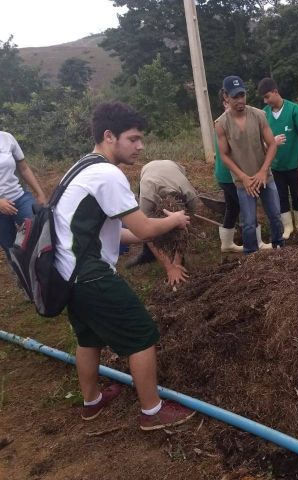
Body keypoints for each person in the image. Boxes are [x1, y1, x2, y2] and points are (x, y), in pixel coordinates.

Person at [54, 102, 196, 430]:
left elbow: (122, 232)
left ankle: (92, 402)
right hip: (89, 274)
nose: (140, 146)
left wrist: (160, 226)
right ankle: (152, 411)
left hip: (66, 273)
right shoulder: (107, 173)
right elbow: (146, 229)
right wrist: (173, 219)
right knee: (142, 334)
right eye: (133, 139)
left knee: (89, 338)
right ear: (109, 136)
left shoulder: (81, 167)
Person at [215, 75, 284, 254]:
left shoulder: (259, 115)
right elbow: (224, 155)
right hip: (243, 181)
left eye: (242, 95)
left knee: (276, 216)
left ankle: (279, 249)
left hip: (264, 177)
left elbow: (272, 144)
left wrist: (263, 171)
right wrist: (243, 177)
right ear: (226, 97)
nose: (240, 100)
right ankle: (251, 256)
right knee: (248, 224)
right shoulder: (221, 123)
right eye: (235, 96)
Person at [125, 159, 197, 286]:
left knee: (178, 225)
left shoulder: (190, 196)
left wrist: (177, 263)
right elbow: (145, 230)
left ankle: (177, 255)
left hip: (174, 166)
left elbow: (186, 227)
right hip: (148, 170)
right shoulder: (147, 196)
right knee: (151, 226)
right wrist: (170, 268)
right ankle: (147, 254)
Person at [258, 77, 298, 239]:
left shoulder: (293, 109)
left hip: (295, 164)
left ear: (275, 92)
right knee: (281, 196)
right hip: (275, 165)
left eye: (268, 96)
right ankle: (287, 227)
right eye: (264, 98)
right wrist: (271, 144)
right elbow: (260, 141)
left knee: (297, 194)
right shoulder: (264, 114)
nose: (266, 101)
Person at [0, 131, 46, 259]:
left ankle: (41, 269)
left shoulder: (7, 138)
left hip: (19, 197)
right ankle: (20, 275)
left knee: (37, 230)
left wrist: (40, 193)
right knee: (9, 247)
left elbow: (24, 168)